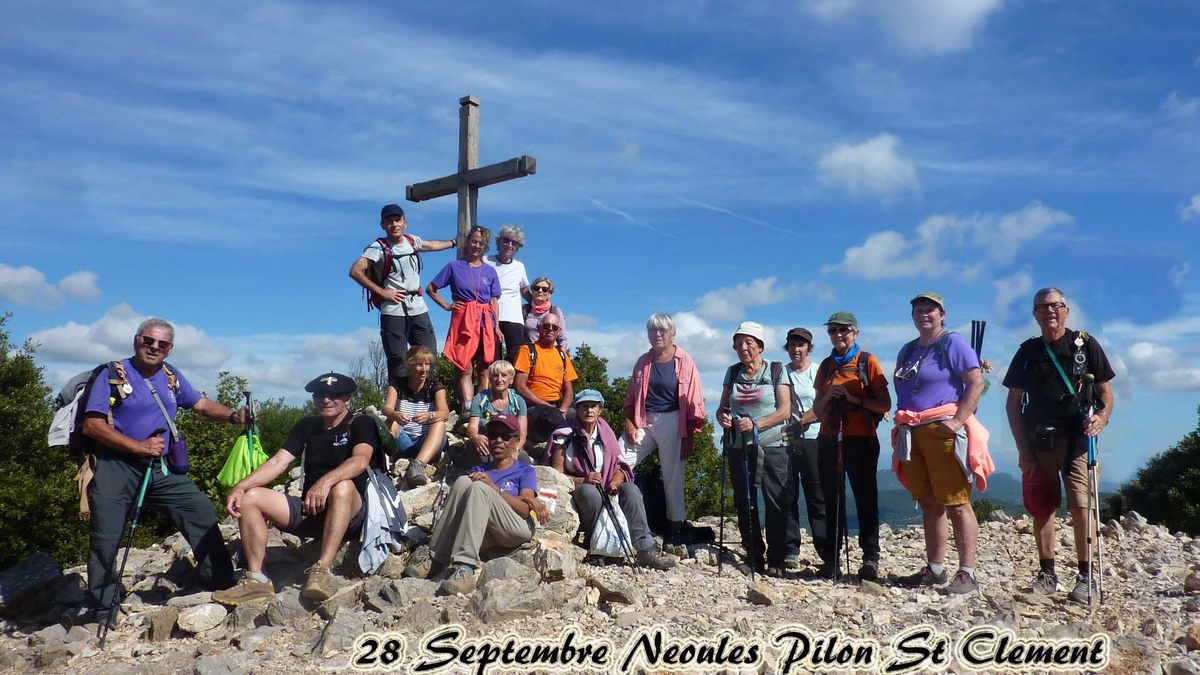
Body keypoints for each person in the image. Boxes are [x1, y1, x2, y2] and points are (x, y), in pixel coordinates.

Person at [82, 318, 246, 623]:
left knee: (198, 508)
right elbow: (92, 425)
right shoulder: (112, 374)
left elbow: (200, 404)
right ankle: (104, 605)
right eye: (148, 341)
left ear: (169, 349)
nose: (154, 347)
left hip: (160, 468)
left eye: (162, 344)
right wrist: (137, 447)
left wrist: (234, 417)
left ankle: (218, 580)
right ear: (136, 341)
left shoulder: (171, 376)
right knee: (106, 535)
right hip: (115, 465)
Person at [213, 373, 377, 605]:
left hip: (350, 512)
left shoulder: (360, 422)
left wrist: (325, 482)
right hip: (312, 509)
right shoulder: (307, 426)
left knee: (343, 486)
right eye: (320, 395)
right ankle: (257, 580)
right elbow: (278, 462)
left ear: (348, 398)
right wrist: (240, 486)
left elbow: (361, 460)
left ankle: (321, 570)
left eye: (334, 395)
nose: (326, 400)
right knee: (251, 497)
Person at [1003, 287, 1114, 604]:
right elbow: (1013, 405)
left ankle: (1085, 577)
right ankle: (1047, 574)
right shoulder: (1028, 352)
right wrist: (1022, 449)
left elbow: (1106, 393)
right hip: (1039, 441)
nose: (1049, 311)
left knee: (1082, 505)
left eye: (1055, 305)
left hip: (1080, 441)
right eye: (1042, 307)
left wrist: (1102, 418)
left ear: (1066, 310)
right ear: (1035, 314)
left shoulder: (1085, 344)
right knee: (1043, 506)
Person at [891, 293, 991, 594]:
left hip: (942, 429)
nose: (924, 314)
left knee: (957, 501)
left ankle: (968, 572)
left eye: (930, 310)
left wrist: (959, 421)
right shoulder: (908, 350)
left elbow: (976, 382)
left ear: (942, 314)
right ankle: (935, 569)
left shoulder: (953, 343)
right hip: (914, 430)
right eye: (919, 310)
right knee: (929, 502)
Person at [415, 413, 550, 596]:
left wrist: (495, 489)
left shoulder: (524, 470)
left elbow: (525, 509)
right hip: (486, 529)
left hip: (515, 527)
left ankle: (465, 567)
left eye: (505, 435)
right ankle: (436, 556)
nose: (498, 440)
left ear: (515, 440)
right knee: (463, 482)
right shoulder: (480, 469)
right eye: (493, 434)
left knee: (479, 487)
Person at [551, 390, 677, 570]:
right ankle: (597, 547)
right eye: (584, 406)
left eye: (593, 406)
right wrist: (582, 480)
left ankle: (645, 548)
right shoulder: (564, 434)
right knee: (590, 493)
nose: (589, 411)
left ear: (600, 410)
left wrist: (616, 481)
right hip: (578, 488)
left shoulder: (606, 433)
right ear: (577, 410)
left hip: (606, 486)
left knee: (632, 491)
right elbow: (556, 474)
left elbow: (620, 465)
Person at [813, 311, 891, 581]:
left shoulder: (867, 361)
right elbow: (816, 407)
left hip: (861, 438)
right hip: (829, 436)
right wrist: (829, 399)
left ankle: (870, 558)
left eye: (843, 330)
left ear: (855, 332)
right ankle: (831, 558)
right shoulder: (825, 366)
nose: (838, 335)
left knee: (865, 498)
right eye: (833, 331)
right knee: (831, 498)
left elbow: (884, 404)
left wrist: (853, 399)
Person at [622, 313, 706, 546]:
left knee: (673, 474)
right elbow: (630, 398)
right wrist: (629, 423)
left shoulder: (685, 360)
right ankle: (610, 512)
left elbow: (695, 400)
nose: (657, 335)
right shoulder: (643, 361)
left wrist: (689, 436)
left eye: (662, 331)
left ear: (672, 334)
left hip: (673, 419)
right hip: (644, 419)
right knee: (620, 459)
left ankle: (675, 527)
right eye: (653, 331)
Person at [715, 321, 792, 576]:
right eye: (738, 343)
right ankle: (755, 554)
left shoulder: (777, 370)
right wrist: (723, 417)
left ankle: (777, 559)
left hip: (772, 445)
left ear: (760, 346)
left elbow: (784, 411)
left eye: (748, 342)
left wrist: (755, 423)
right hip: (739, 445)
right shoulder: (732, 372)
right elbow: (723, 407)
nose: (743, 347)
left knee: (774, 501)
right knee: (744, 501)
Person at [349, 204, 456, 381]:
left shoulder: (411, 241)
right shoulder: (377, 247)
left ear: (405, 222)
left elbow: (431, 245)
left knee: (428, 354)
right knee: (397, 358)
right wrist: (382, 292)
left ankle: (427, 398)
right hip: (393, 309)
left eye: (397, 220)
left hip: (418, 306)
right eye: (389, 221)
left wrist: (453, 243)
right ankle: (397, 403)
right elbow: (355, 271)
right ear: (383, 225)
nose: (394, 224)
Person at [426, 225, 503, 412]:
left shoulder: (490, 271)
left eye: (481, 243)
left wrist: (497, 326)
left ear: (485, 247)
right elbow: (431, 288)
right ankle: (468, 409)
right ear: (468, 242)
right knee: (465, 367)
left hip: (486, 320)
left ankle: (483, 408)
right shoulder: (454, 266)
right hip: (464, 318)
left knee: (485, 368)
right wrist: (446, 305)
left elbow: (494, 300)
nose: (477, 246)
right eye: (474, 241)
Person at [782, 326, 826, 572]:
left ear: (809, 347)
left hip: (813, 438)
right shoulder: (779, 372)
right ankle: (790, 549)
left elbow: (824, 404)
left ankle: (826, 550)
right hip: (785, 440)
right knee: (787, 494)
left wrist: (805, 420)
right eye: (792, 345)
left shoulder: (818, 371)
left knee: (816, 496)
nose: (796, 349)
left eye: (801, 345)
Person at [513, 312, 578, 459]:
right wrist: (546, 405)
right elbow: (520, 386)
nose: (550, 329)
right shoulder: (528, 350)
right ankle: (551, 458)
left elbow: (568, 388)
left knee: (580, 416)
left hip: (555, 408)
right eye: (546, 326)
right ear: (539, 327)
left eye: (554, 327)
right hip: (533, 407)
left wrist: (563, 409)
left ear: (559, 331)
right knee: (557, 418)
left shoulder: (562, 356)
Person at [383, 346, 450, 487]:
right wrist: (396, 414)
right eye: (420, 365)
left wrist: (430, 416)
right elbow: (387, 408)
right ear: (410, 364)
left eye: (427, 365)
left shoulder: (435, 386)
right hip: (405, 440)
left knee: (440, 423)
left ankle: (418, 465)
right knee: (391, 422)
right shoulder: (397, 384)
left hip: (427, 441)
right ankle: (383, 463)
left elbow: (445, 412)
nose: (424, 369)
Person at [484, 224, 530, 362]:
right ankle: (493, 384)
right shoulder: (486, 261)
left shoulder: (519, 266)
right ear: (499, 241)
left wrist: (544, 306)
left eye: (514, 243)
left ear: (518, 246)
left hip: (513, 317)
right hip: (491, 316)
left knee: (516, 356)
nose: (509, 245)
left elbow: (525, 291)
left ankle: (513, 384)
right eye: (506, 240)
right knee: (492, 358)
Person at [467, 359, 528, 458]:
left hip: (509, 443)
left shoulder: (518, 401)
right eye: (495, 376)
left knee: (523, 459)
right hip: (488, 441)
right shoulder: (480, 399)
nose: (499, 379)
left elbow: (522, 433)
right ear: (490, 379)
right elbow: (472, 426)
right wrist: (475, 437)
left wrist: (516, 450)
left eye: (504, 375)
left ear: (511, 380)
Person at [522, 276, 568, 351]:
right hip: (530, 354)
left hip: (551, 354)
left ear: (550, 294)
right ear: (532, 291)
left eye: (545, 289)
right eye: (537, 288)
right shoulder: (524, 310)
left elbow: (563, 339)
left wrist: (562, 356)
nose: (540, 291)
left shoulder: (556, 311)